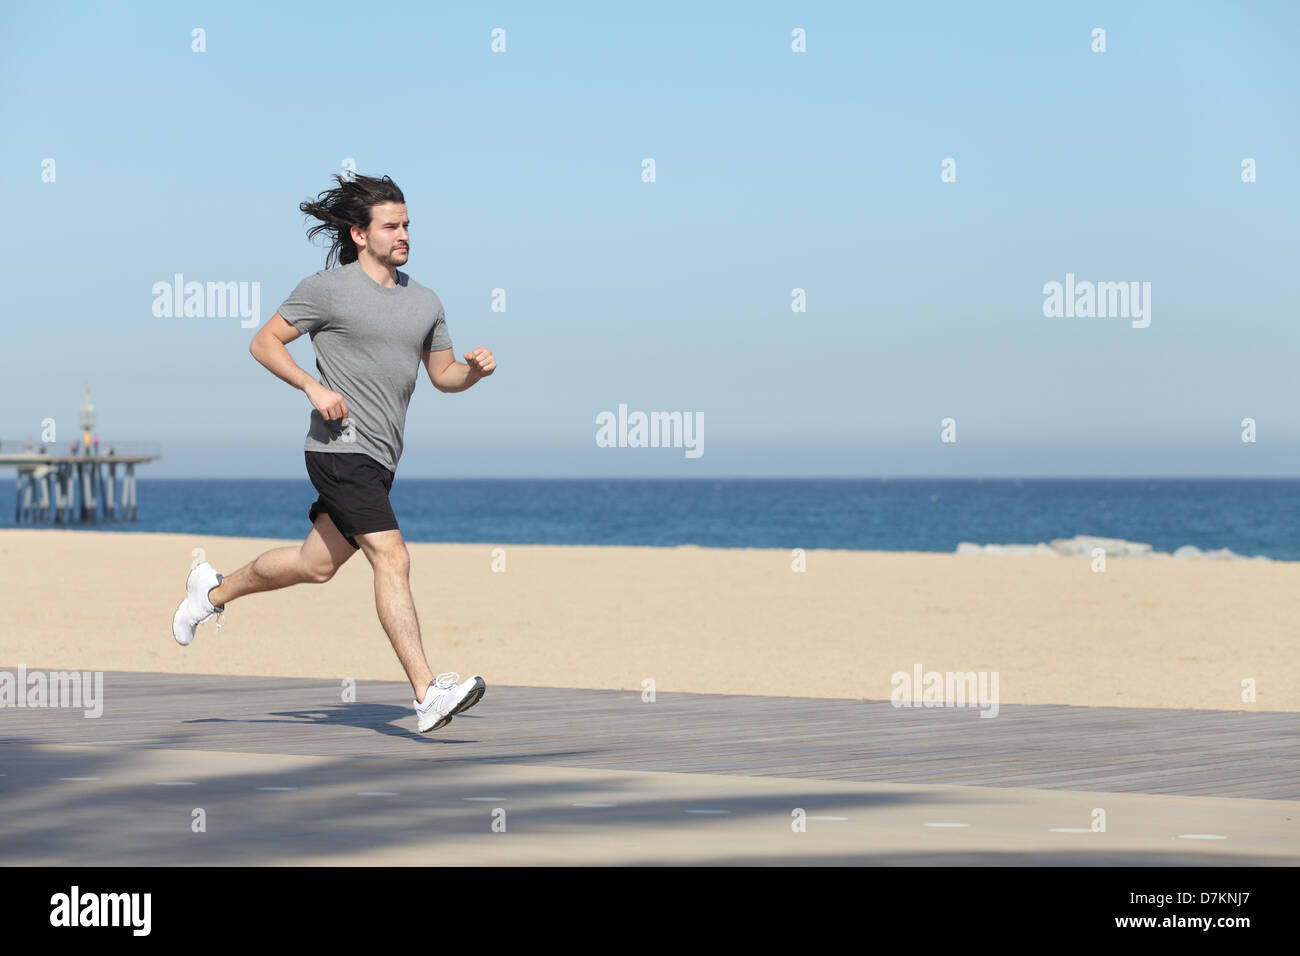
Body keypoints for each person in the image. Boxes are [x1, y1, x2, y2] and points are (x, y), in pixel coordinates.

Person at [171, 173, 496, 734]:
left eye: (407, 225)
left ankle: (212, 590)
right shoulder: (327, 290)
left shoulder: (425, 300)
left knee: (314, 566)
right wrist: (312, 386)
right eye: (391, 226)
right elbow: (263, 342)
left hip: (381, 459)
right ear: (358, 233)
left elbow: (442, 376)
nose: (403, 235)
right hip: (338, 449)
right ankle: (426, 694)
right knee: (393, 557)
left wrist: (474, 372)